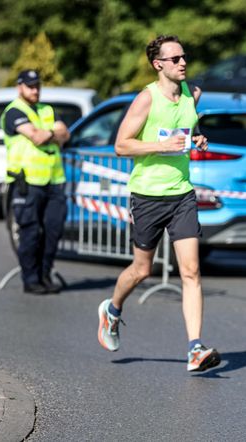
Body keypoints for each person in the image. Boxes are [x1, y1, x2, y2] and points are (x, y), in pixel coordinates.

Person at [96, 35, 221, 373]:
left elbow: (184, 133)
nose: (183, 62)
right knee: (141, 269)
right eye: (175, 58)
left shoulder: (191, 95)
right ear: (158, 64)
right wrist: (161, 147)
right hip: (148, 195)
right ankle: (113, 309)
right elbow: (122, 146)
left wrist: (196, 140)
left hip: (181, 193)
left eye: (184, 56)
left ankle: (195, 348)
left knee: (191, 272)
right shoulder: (146, 99)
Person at [0, 69, 70, 294]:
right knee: (30, 232)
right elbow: (36, 137)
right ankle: (30, 279)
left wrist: (46, 132)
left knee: (53, 230)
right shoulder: (13, 112)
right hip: (26, 182)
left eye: (37, 85)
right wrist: (52, 132)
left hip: (53, 181)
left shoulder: (47, 109)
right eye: (30, 86)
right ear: (19, 87)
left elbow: (65, 135)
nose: (35, 90)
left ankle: (45, 274)